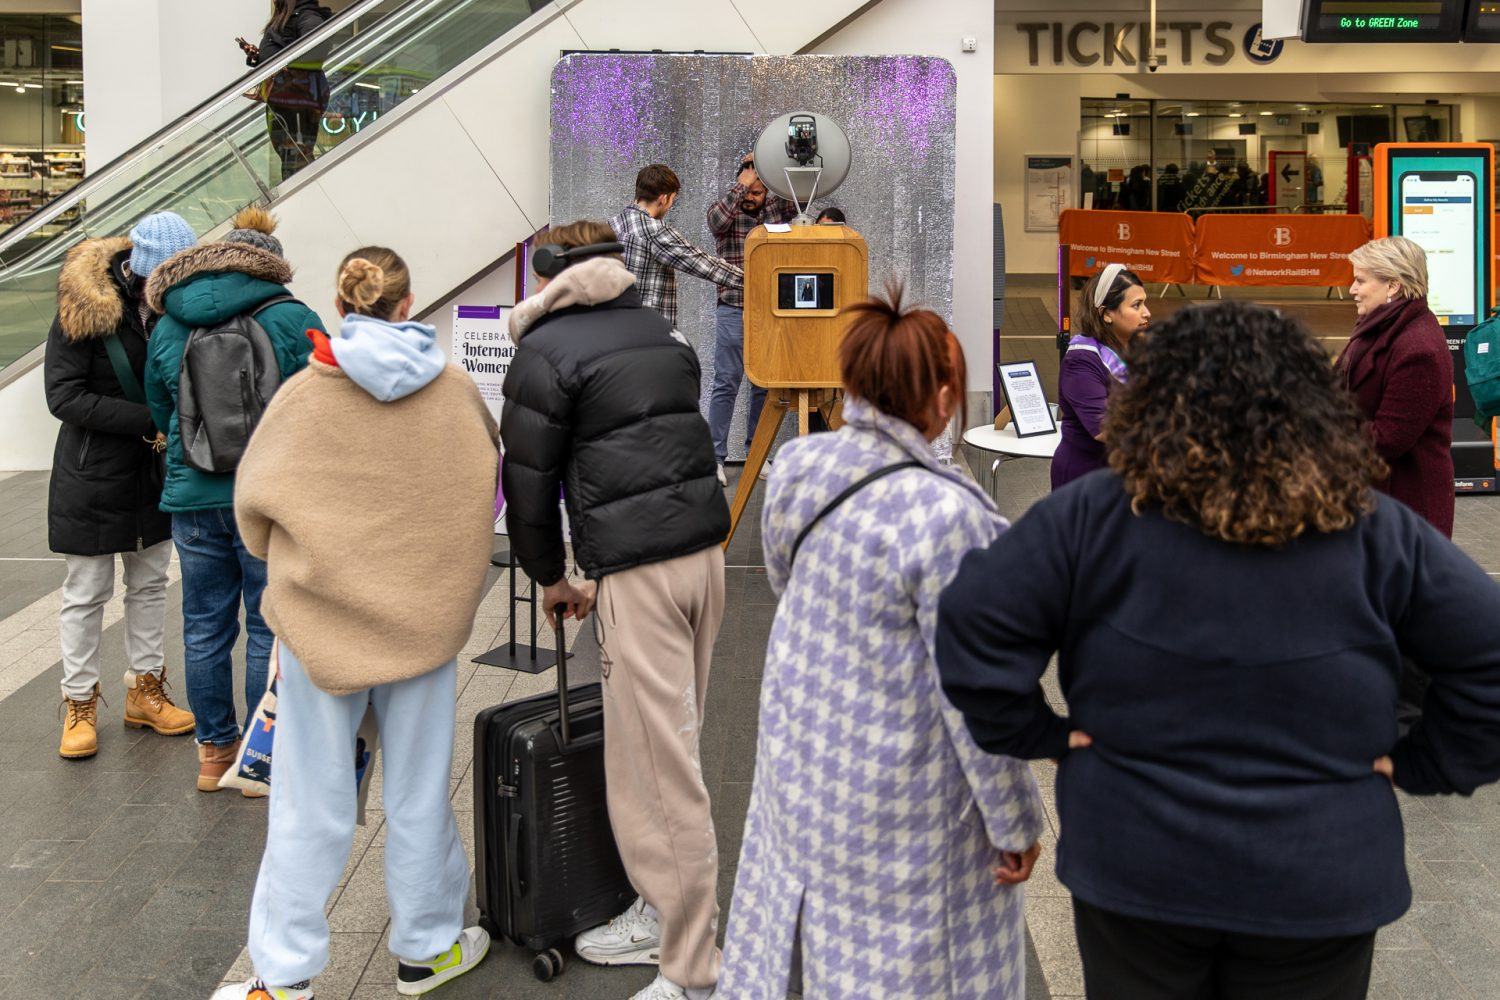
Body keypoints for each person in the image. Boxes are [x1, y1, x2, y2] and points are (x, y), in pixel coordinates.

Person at [935, 301, 1500, 1000]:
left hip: (1136, 867)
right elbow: (1489, 654)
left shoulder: (1095, 515)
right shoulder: (1372, 529)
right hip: (1320, 879)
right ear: (1309, 406)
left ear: (1154, 400)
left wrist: (1042, 735)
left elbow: (970, 622)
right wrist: (1424, 761)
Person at [718, 286, 1045, 999]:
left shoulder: (801, 470)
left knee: (812, 953)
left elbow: (784, 579)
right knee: (910, 968)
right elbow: (980, 697)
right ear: (942, 395)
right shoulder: (950, 516)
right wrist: (1015, 819)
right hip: (905, 803)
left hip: (803, 772)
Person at [213, 247, 497, 1000]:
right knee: (418, 795)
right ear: (408, 306)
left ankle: (282, 977)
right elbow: (480, 492)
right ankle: (428, 951)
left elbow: (252, 508)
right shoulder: (456, 391)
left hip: (320, 628)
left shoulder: (306, 398)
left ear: (342, 307)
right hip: (424, 627)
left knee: (311, 803)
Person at [501, 220, 730, 1000]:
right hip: (705, 558)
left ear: (552, 277)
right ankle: (659, 906)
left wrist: (550, 577)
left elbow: (528, 489)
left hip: (640, 574)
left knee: (658, 772)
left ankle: (691, 964)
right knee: (674, 748)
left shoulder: (545, 352)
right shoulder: (666, 336)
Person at [144, 205, 323, 793]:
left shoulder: (170, 321)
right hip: (268, 495)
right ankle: (258, 753)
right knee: (266, 625)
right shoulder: (292, 316)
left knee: (202, 625)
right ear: (268, 265)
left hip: (195, 498)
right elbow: (319, 403)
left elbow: (163, 409)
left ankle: (212, 754)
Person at [44, 213, 197, 760]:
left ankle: (145, 690)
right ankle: (79, 702)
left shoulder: (173, 306)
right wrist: (148, 419)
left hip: (154, 472)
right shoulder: (83, 310)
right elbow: (63, 396)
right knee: (86, 591)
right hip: (90, 472)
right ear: (137, 267)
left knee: (152, 581)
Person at [1339, 236, 1454, 538]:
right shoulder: (1378, 327)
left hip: (1406, 511)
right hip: (1375, 501)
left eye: (1361, 281)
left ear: (1393, 286)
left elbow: (1388, 439)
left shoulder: (1419, 349)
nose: (1352, 290)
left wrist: (1320, 435)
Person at [706, 154, 799, 485]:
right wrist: (741, 186)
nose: (751, 199)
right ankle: (715, 457)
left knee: (764, 386)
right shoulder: (727, 211)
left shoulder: (773, 208)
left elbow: (800, 204)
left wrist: (770, 168)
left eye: (758, 193)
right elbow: (716, 222)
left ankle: (756, 455)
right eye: (747, 192)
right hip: (733, 306)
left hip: (770, 309)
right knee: (726, 382)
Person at [609, 163, 744, 331]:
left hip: (615, 328)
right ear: (664, 198)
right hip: (646, 333)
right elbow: (703, 264)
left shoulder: (613, 224)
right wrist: (752, 279)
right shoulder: (654, 231)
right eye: (672, 200)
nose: (670, 206)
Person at [1051, 263, 1149, 490]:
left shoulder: (1138, 351)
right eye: (1136, 305)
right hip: (1085, 480)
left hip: (1124, 475)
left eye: (1145, 303)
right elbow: (1104, 428)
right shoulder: (1081, 361)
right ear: (1106, 314)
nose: (1147, 313)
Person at [238, 0, 333, 181]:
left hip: (296, 100)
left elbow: (317, 50)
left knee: (295, 157)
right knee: (291, 156)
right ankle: (300, 196)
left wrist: (284, 69)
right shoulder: (292, 17)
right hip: (287, 100)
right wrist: (262, 58)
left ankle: (302, 199)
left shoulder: (306, 16)